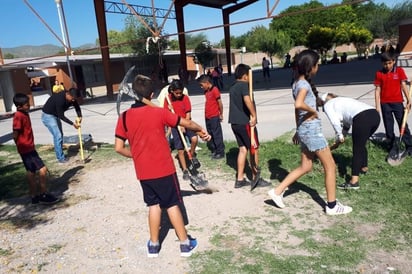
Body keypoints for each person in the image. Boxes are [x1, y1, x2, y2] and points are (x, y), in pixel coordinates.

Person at [114, 74, 210, 257]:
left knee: (153, 205)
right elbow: (186, 123)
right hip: (164, 169)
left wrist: (136, 155)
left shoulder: (124, 117)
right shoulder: (160, 112)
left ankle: (153, 245)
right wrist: (200, 130)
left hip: (143, 172)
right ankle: (185, 244)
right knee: (172, 204)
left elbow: (118, 148)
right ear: (151, 95)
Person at [267, 50, 352, 215]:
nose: (318, 66)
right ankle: (332, 206)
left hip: (304, 130)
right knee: (331, 166)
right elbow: (298, 105)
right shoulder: (304, 85)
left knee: (306, 166)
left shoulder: (296, 84)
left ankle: (277, 192)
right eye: (317, 64)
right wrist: (313, 112)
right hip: (312, 131)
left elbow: (297, 110)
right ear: (310, 67)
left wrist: (298, 129)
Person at [318, 93, 380, 189]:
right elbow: (347, 123)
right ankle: (363, 167)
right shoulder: (342, 100)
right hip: (374, 115)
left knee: (357, 149)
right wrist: (343, 135)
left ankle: (354, 182)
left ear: (323, 101)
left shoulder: (328, 105)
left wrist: (339, 135)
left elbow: (335, 122)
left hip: (362, 118)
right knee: (361, 143)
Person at [228, 63, 271, 189]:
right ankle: (255, 177)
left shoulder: (233, 87)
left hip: (235, 123)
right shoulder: (243, 86)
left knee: (243, 149)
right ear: (245, 76)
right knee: (254, 149)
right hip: (245, 122)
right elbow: (247, 100)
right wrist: (254, 115)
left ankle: (240, 179)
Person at [12, 93, 59, 205]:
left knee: (31, 172)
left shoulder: (24, 114)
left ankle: (34, 197)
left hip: (28, 148)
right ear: (19, 106)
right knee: (42, 169)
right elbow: (15, 133)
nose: (29, 106)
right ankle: (43, 194)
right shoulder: (18, 116)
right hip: (27, 149)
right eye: (27, 105)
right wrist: (20, 144)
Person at [374, 51, 412, 154]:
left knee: (402, 123)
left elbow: (403, 86)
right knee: (388, 125)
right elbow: (377, 90)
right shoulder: (379, 73)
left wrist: (409, 100)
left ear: (394, 61)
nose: (387, 66)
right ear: (382, 63)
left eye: (389, 63)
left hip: (397, 102)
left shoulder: (399, 71)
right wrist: (377, 106)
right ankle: (391, 146)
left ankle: (409, 145)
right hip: (385, 104)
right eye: (385, 63)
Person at [163, 79, 199, 181]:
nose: (179, 95)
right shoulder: (168, 99)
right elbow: (165, 115)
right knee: (180, 150)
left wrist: (184, 125)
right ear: (172, 91)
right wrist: (169, 109)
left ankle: (191, 155)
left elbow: (188, 114)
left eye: (180, 92)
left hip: (187, 123)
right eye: (176, 93)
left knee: (194, 139)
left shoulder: (185, 98)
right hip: (175, 126)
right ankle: (185, 170)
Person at [41, 88, 82, 163]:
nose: (73, 100)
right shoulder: (60, 99)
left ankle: (60, 154)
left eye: (74, 99)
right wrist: (73, 124)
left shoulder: (72, 98)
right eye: (72, 98)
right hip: (48, 116)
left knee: (60, 135)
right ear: (68, 94)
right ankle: (61, 158)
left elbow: (77, 107)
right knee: (58, 135)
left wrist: (80, 116)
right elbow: (61, 116)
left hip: (55, 115)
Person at [197, 74, 225, 159]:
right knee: (210, 134)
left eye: (202, 85)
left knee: (216, 134)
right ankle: (214, 150)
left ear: (206, 83)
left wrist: (221, 113)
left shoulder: (215, 90)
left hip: (214, 116)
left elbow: (220, 103)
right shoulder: (206, 92)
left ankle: (220, 151)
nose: (201, 87)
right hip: (208, 116)